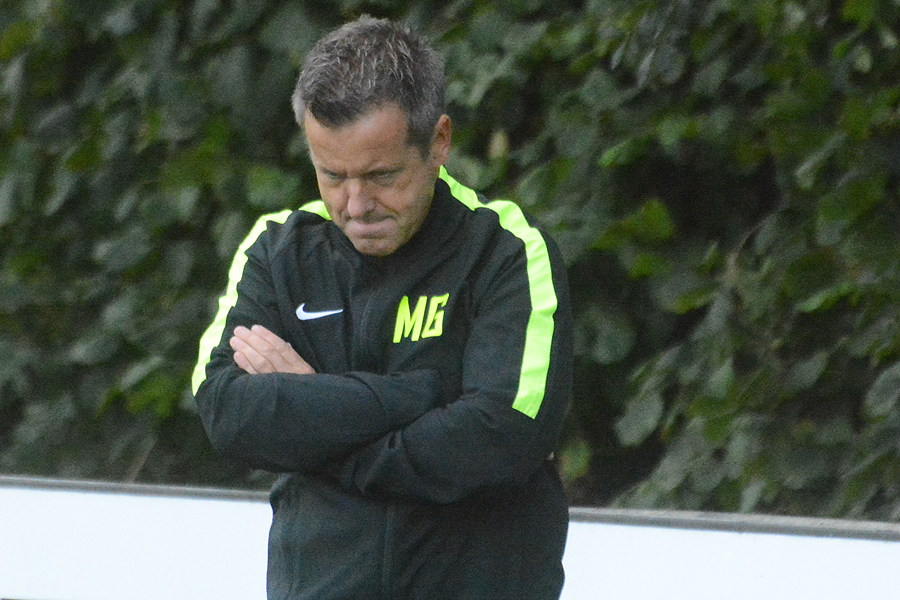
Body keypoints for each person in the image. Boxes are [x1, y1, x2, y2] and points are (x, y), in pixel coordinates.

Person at [192, 15, 573, 600]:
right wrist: (417, 395)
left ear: (438, 141)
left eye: (381, 176)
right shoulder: (275, 249)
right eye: (331, 175)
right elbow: (226, 411)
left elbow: (501, 436)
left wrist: (319, 422)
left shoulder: (508, 250)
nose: (356, 204)